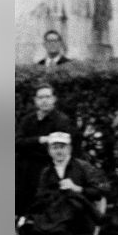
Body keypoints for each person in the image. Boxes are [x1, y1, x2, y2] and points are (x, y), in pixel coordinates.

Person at [26, 132, 108, 235]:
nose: (59, 151)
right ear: (49, 151)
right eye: (55, 147)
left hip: (81, 218)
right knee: (49, 225)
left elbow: (100, 192)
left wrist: (78, 188)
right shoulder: (47, 172)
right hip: (57, 219)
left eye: (62, 147)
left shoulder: (83, 167)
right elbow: (40, 198)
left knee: (55, 222)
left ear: (69, 148)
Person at [16, 83, 77, 215]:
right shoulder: (28, 120)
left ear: (54, 99)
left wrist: (29, 144)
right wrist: (40, 140)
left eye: (48, 97)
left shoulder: (61, 121)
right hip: (24, 169)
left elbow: (58, 148)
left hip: (46, 168)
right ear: (35, 100)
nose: (44, 100)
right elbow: (17, 142)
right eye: (40, 97)